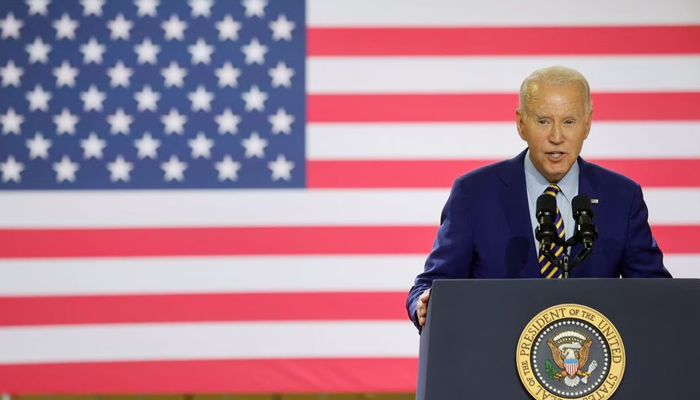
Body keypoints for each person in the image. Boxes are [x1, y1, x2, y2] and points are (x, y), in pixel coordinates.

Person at [406, 66, 672, 330]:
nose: (556, 137)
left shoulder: (622, 196)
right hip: (495, 362)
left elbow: (655, 296)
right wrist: (425, 302)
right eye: (543, 121)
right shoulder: (474, 193)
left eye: (569, 121)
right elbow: (431, 286)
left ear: (588, 123)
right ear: (521, 124)